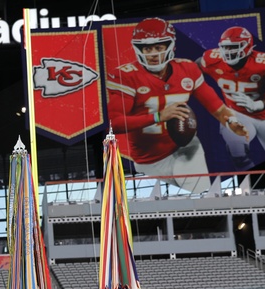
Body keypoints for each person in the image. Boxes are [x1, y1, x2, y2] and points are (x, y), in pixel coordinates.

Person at [106, 17, 248, 194]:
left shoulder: (187, 69)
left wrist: (232, 122)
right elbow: (114, 123)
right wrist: (158, 116)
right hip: (147, 160)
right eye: (147, 48)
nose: (153, 54)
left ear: (170, 46)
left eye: (158, 47)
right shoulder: (126, 76)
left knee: (199, 199)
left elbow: (215, 106)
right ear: (138, 49)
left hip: (184, 147)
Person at [197, 26, 265, 169]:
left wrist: (257, 105)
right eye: (226, 47)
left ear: (247, 47)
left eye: (233, 47)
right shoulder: (212, 59)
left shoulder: (263, 64)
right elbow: (192, 70)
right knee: (237, 152)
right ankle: (251, 183)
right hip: (237, 113)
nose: (228, 52)